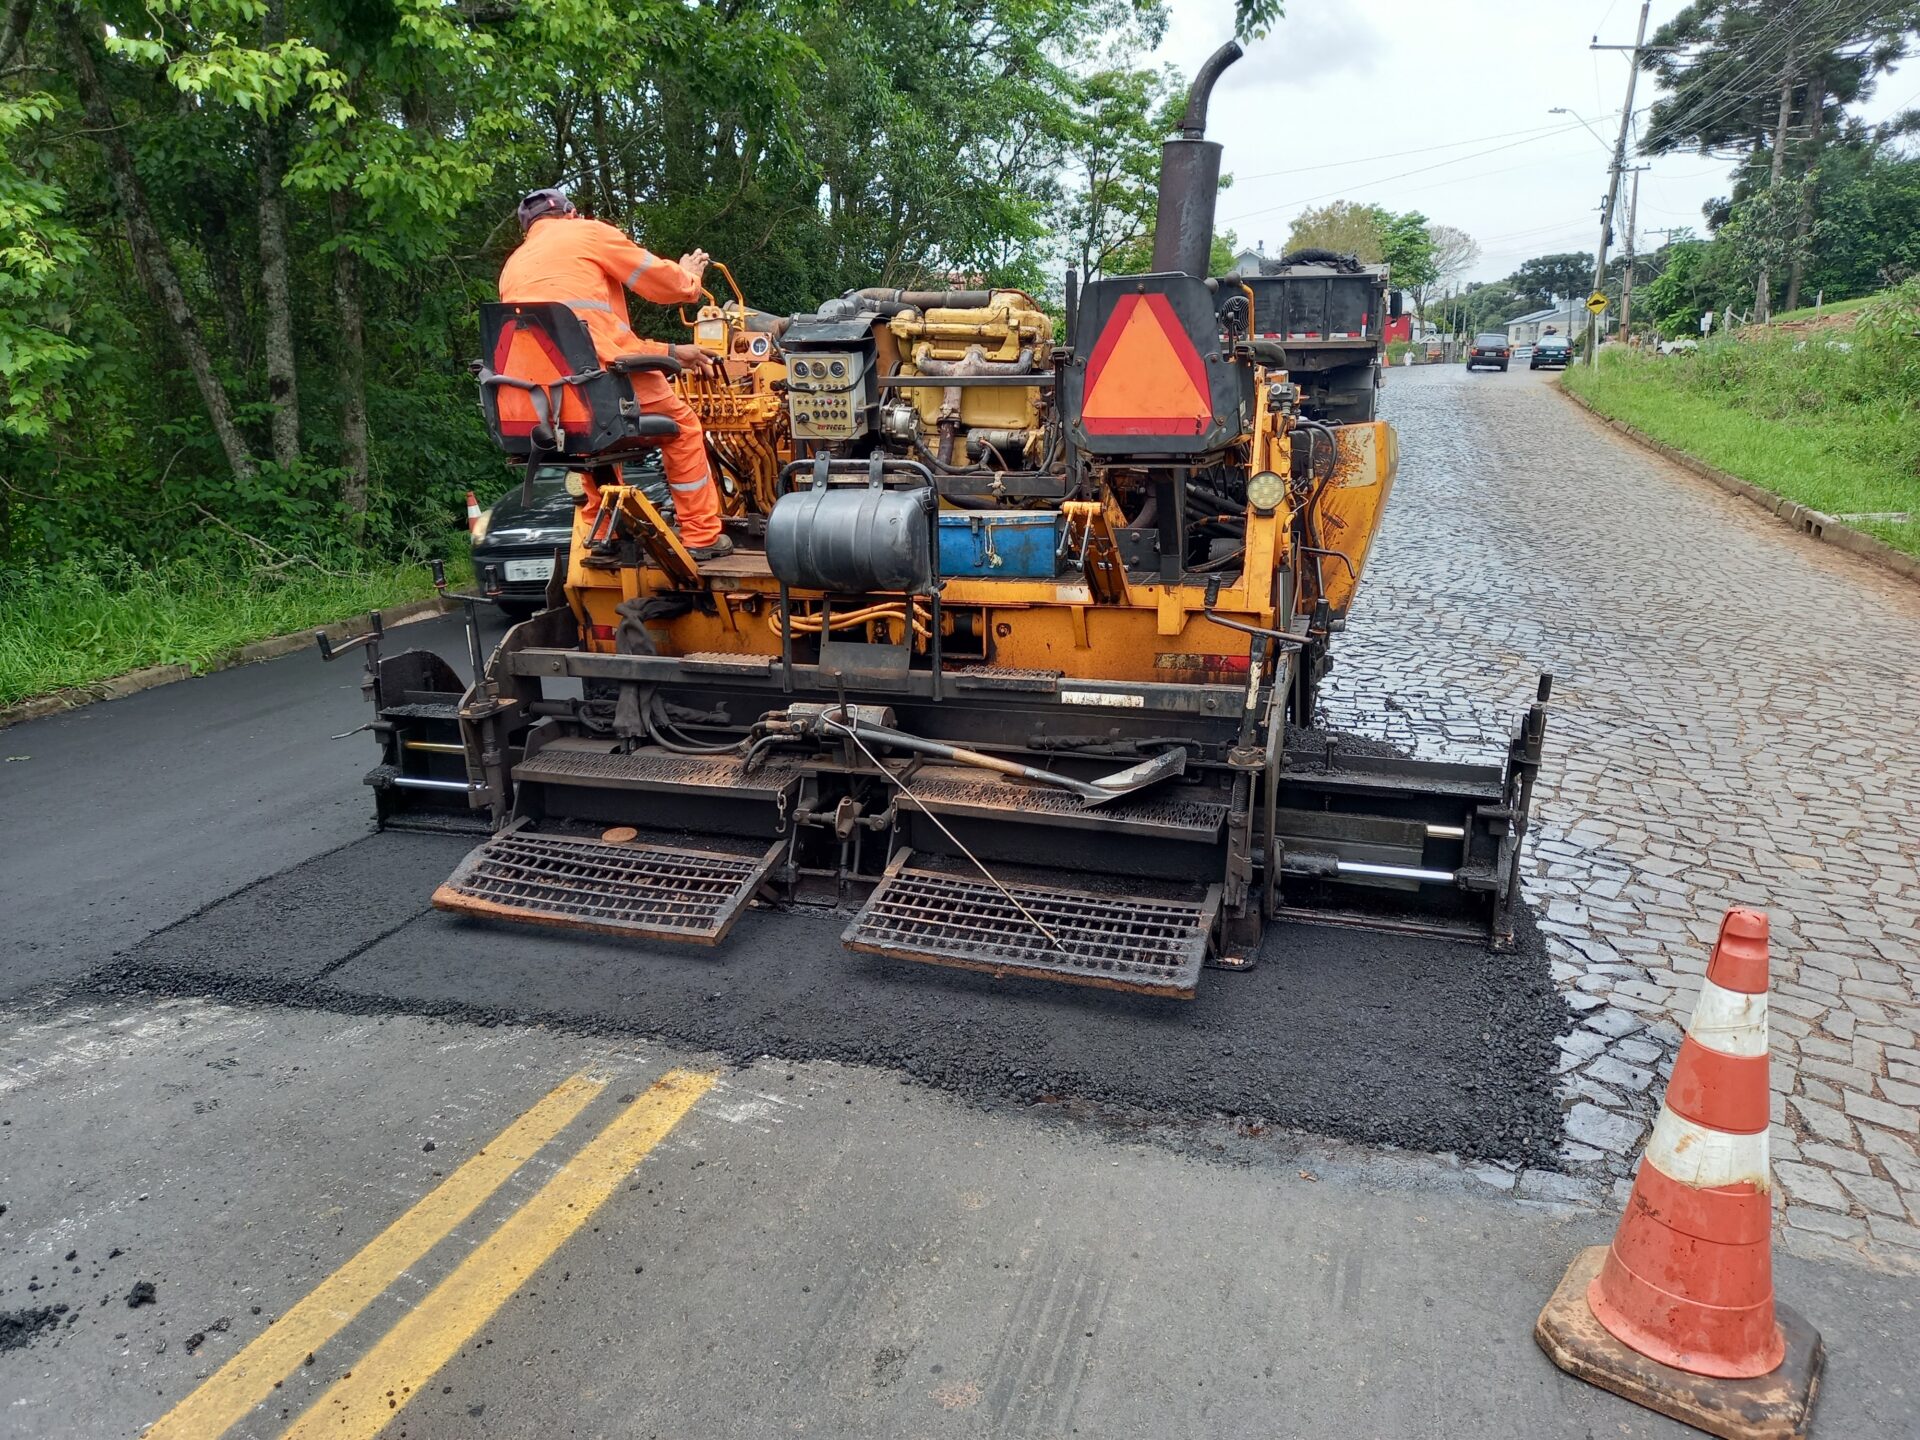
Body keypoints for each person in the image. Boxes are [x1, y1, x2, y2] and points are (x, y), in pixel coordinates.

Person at [498, 187, 733, 560]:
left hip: (539, 405)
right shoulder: (587, 232)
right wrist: (687, 278)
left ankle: (604, 535)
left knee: (585, 437)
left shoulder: (513, 265)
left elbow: (597, 337)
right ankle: (701, 536)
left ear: (529, 228)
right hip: (601, 382)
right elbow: (660, 284)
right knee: (683, 428)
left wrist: (670, 352)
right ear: (571, 214)